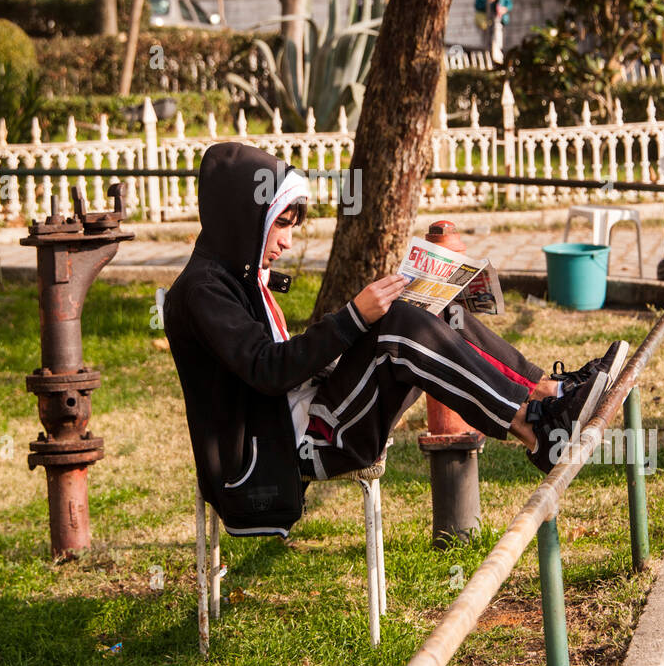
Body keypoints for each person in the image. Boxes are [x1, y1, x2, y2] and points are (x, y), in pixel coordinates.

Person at [163, 143, 627, 538]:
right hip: (286, 451)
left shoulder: (235, 275)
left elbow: (277, 367)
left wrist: (356, 322)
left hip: (306, 417)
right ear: (244, 218)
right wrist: (351, 319)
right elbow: (268, 370)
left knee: (433, 307)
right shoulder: (204, 290)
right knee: (398, 328)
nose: (285, 241)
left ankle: (550, 393)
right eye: (280, 224)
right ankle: (534, 429)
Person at [475, 0, 513, 64]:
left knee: (497, 38)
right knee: (487, 39)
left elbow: (509, 3)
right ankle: (489, 59)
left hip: (498, 18)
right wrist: (488, 1)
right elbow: (478, 6)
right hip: (486, 19)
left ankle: (498, 59)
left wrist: (504, 8)